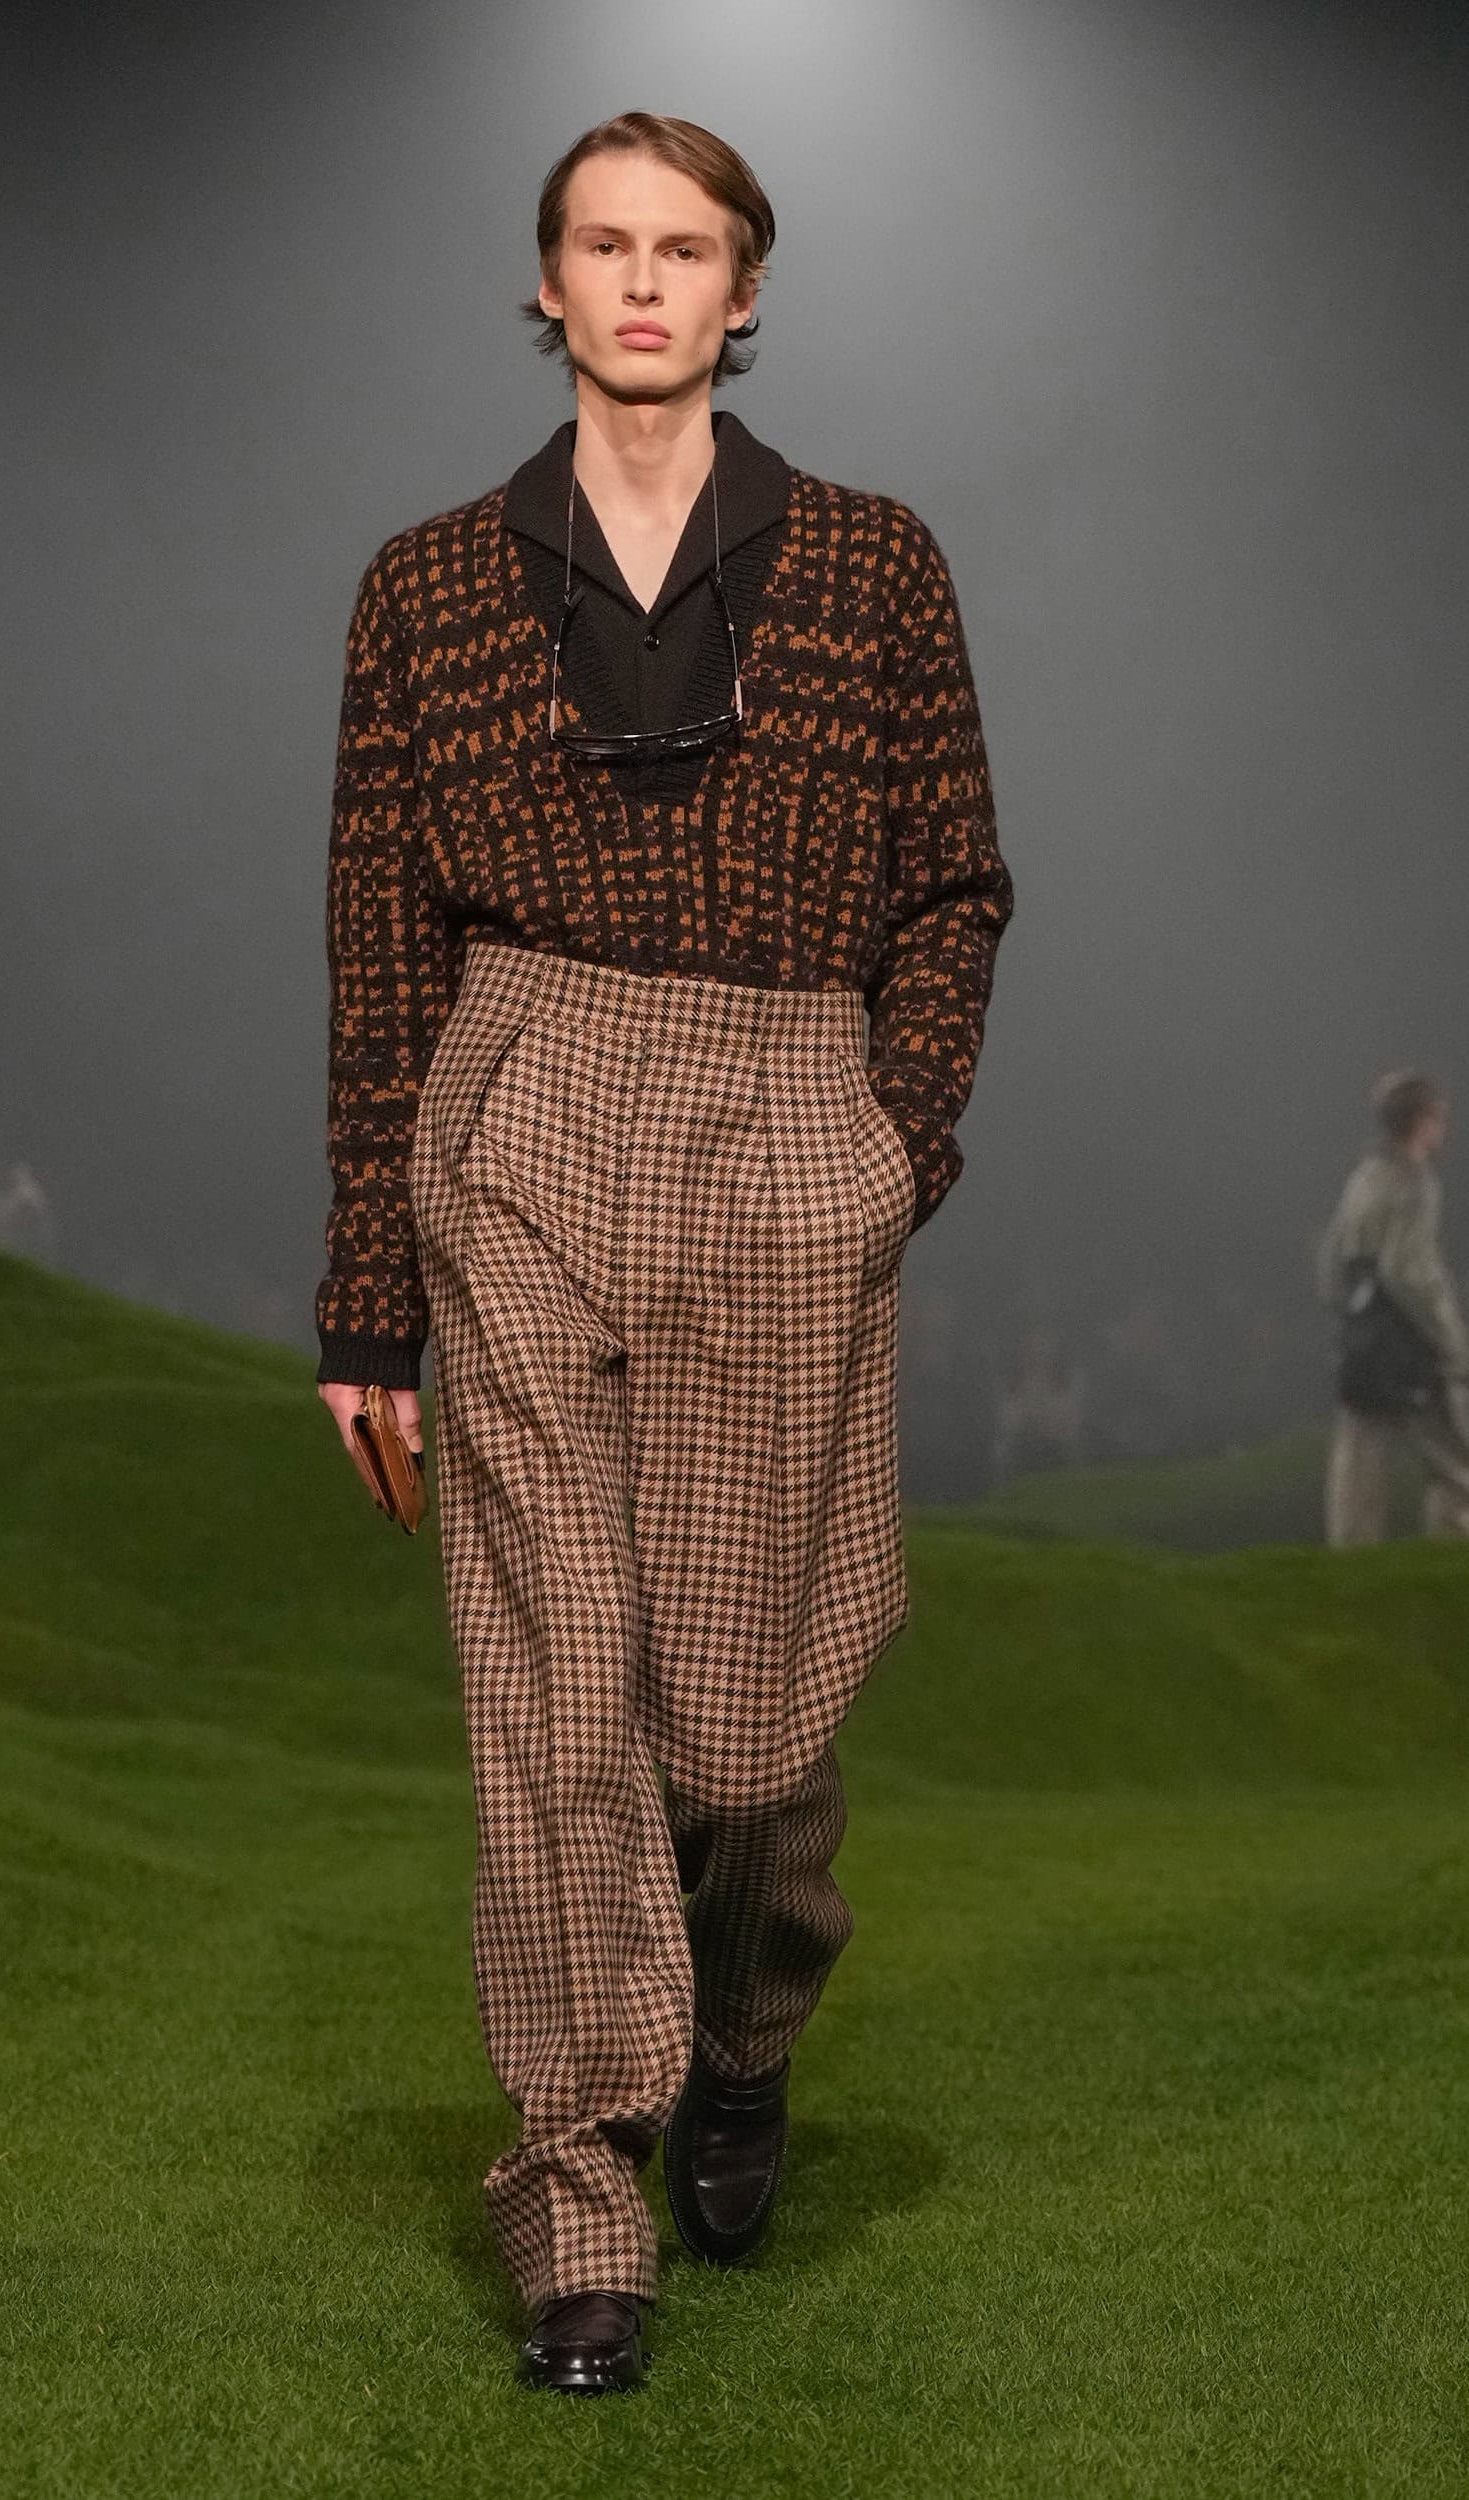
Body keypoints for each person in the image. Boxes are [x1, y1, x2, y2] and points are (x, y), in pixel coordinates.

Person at [314, 111, 1013, 2394]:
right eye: (602, 244)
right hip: (517, 1103)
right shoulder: (426, 586)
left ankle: (748, 2021)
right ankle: (575, 2201)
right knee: (554, 1693)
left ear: (742, 288)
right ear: (546, 283)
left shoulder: (875, 565)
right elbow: (380, 945)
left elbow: (953, 885)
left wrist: (887, 1144)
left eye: (682, 246)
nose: (640, 280)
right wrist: (366, 1291)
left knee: (746, 1726)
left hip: (788, 1117)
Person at [1316, 1070, 1469, 1543]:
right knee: (1453, 1455)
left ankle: (1352, 1553)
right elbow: (1410, 1271)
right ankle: (1453, 1546)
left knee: (1358, 1453)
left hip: (1365, 1332)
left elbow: (1332, 1254)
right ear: (1423, 1121)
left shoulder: (1365, 1176)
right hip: (1411, 1336)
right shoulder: (1413, 1181)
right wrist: (1451, 1339)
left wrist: (1348, 1313)